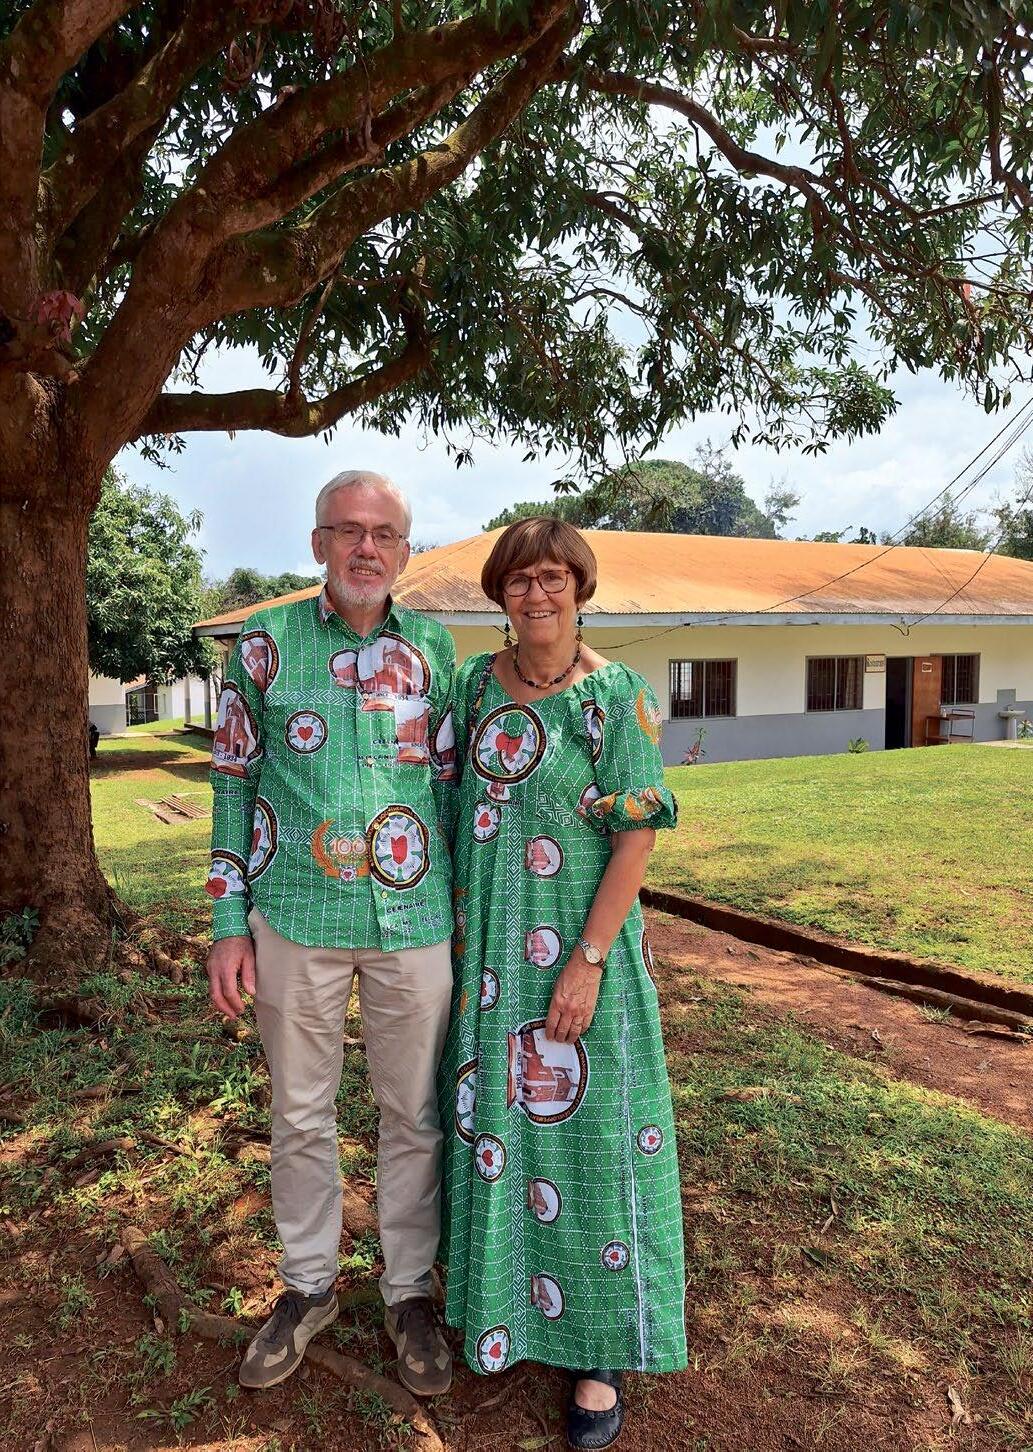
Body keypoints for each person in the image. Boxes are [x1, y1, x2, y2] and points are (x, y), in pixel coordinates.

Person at [206, 470, 456, 1396]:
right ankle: (308, 1285)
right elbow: (231, 783)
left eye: (383, 533)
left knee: (413, 1114)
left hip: (413, 919)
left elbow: (453, 791)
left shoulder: (436, 648)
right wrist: (228, 922)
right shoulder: (264, 643)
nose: (365, 547)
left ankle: (408, 1292)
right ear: (318, 544)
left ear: (404, 550)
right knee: (299, 1114)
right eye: (347, 531)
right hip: (295, 916)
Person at [439, 518, 687, 1449]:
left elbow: (635, 836)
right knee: (498, 1130)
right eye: (518, 580)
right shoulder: (472, 686)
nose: (535, 594)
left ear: (580, 588)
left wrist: (585, 962)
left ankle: (598, 1353)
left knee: (591, 1138)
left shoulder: (615, 696)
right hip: (487, 960)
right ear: (498, 596)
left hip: (582, 956)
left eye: (552, 578)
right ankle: (505, 1312)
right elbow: (446, 803)